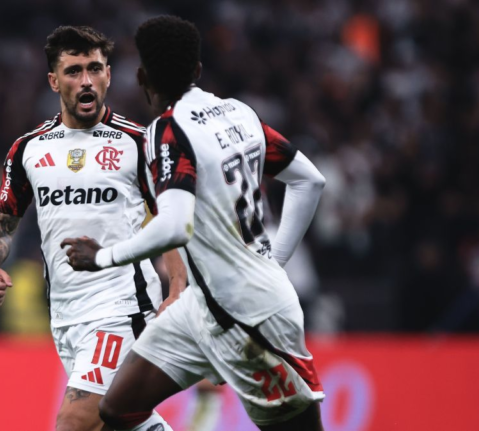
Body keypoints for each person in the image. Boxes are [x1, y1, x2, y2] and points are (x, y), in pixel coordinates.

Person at [62, 16, 327, 430]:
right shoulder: (238, 113)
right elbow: (309, 180)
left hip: (251, 319)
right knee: (117, 410)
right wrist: (273, 261)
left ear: (142, 77)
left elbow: (174, 226)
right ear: (198, 70)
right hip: (200, 308)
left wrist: (102, 257)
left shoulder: (167, 131)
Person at [0, 26, 180, 431]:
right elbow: (3, 220)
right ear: (54, 81)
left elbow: (172, 219)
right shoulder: (28, 149)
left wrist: (177, 290)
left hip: (122, 308)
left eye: (94, 68)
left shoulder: (137, 143)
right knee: (124, 421)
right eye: (73, 71)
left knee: (73, 422)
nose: (86, 80)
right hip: (65, 316)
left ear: (109, 75)